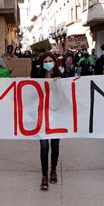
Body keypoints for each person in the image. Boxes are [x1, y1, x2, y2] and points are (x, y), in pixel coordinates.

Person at [32, 53, 62, 191]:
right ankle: (44, 175)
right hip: (42, 116)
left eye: (50, 61)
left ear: (54, 62)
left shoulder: (61, 77)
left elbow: (66, 95)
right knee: (44, 147)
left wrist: (58, 84)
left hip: (57, 117)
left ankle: (53, 170)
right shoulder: (37, 77)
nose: (48, 63)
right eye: (46, 61)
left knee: (55, 146)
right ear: (42, 63)